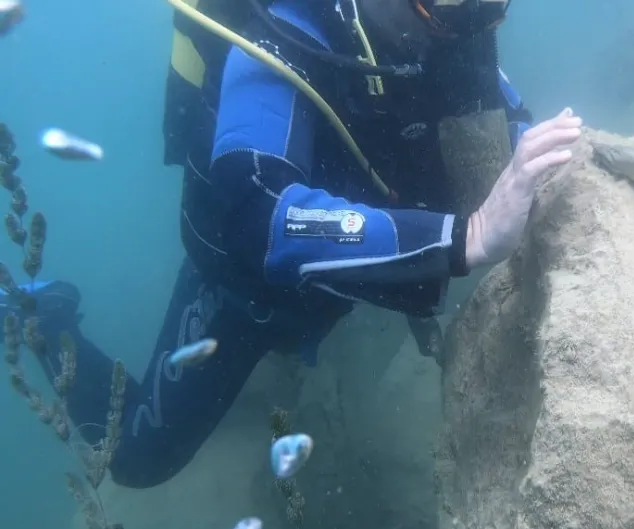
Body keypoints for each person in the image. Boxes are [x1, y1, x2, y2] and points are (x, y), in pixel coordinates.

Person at [3, 0, 582, 488]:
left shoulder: (454, 29)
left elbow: (505, 124)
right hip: (248, 295)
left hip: (357, 274)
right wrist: (466, 237)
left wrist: (546, 158)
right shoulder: (286, 29)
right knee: (136, 459)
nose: (477, 15)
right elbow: (258, 209)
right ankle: (46, 314)